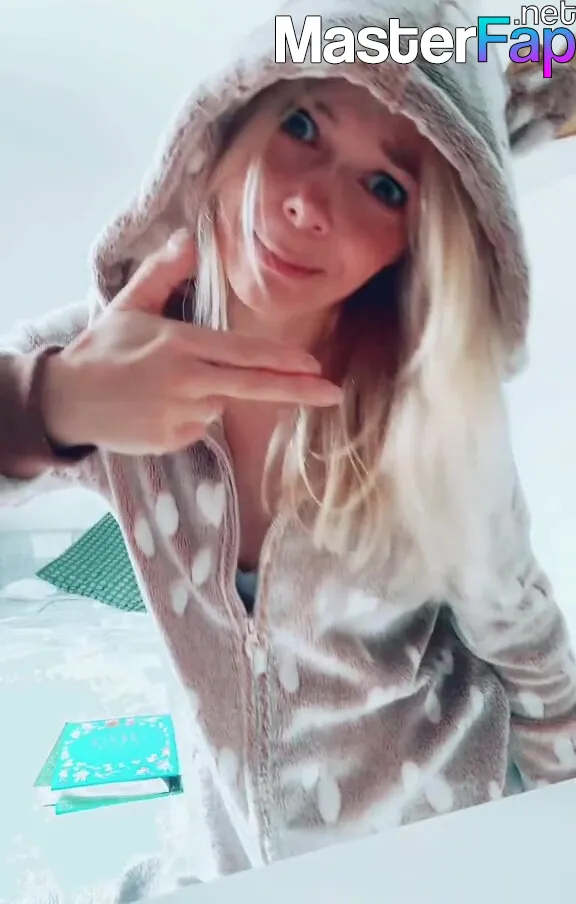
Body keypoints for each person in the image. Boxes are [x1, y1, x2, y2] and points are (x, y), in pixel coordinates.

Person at [2, 0, 576, 898]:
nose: (309, 201)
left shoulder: (433, 419)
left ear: (415, 243)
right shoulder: (116, 347)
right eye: (302, 125)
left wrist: (550, 840)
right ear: (232, 123)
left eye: (384, 186)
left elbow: (529, 646)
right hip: (233, 865)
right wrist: (54, 400)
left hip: (445, 855)